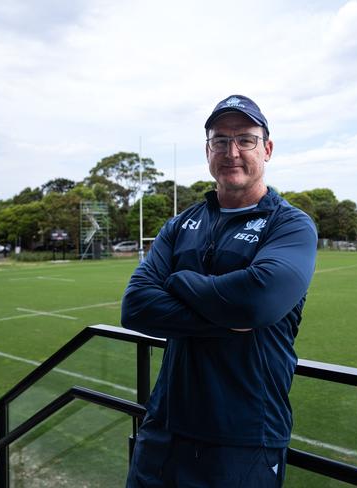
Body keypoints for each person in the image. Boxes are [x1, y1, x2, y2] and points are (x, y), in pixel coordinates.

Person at [121, 94, 318, 487]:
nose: (232, 151)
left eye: (245, 139)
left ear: (267, 148)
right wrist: (232, 318)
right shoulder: (180, 225)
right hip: (164, 428)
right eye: (220, 140)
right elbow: (136, 306)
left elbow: (256, 301)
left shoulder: (291, 225)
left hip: (244, 437)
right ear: (208, 150)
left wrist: (179, 281)